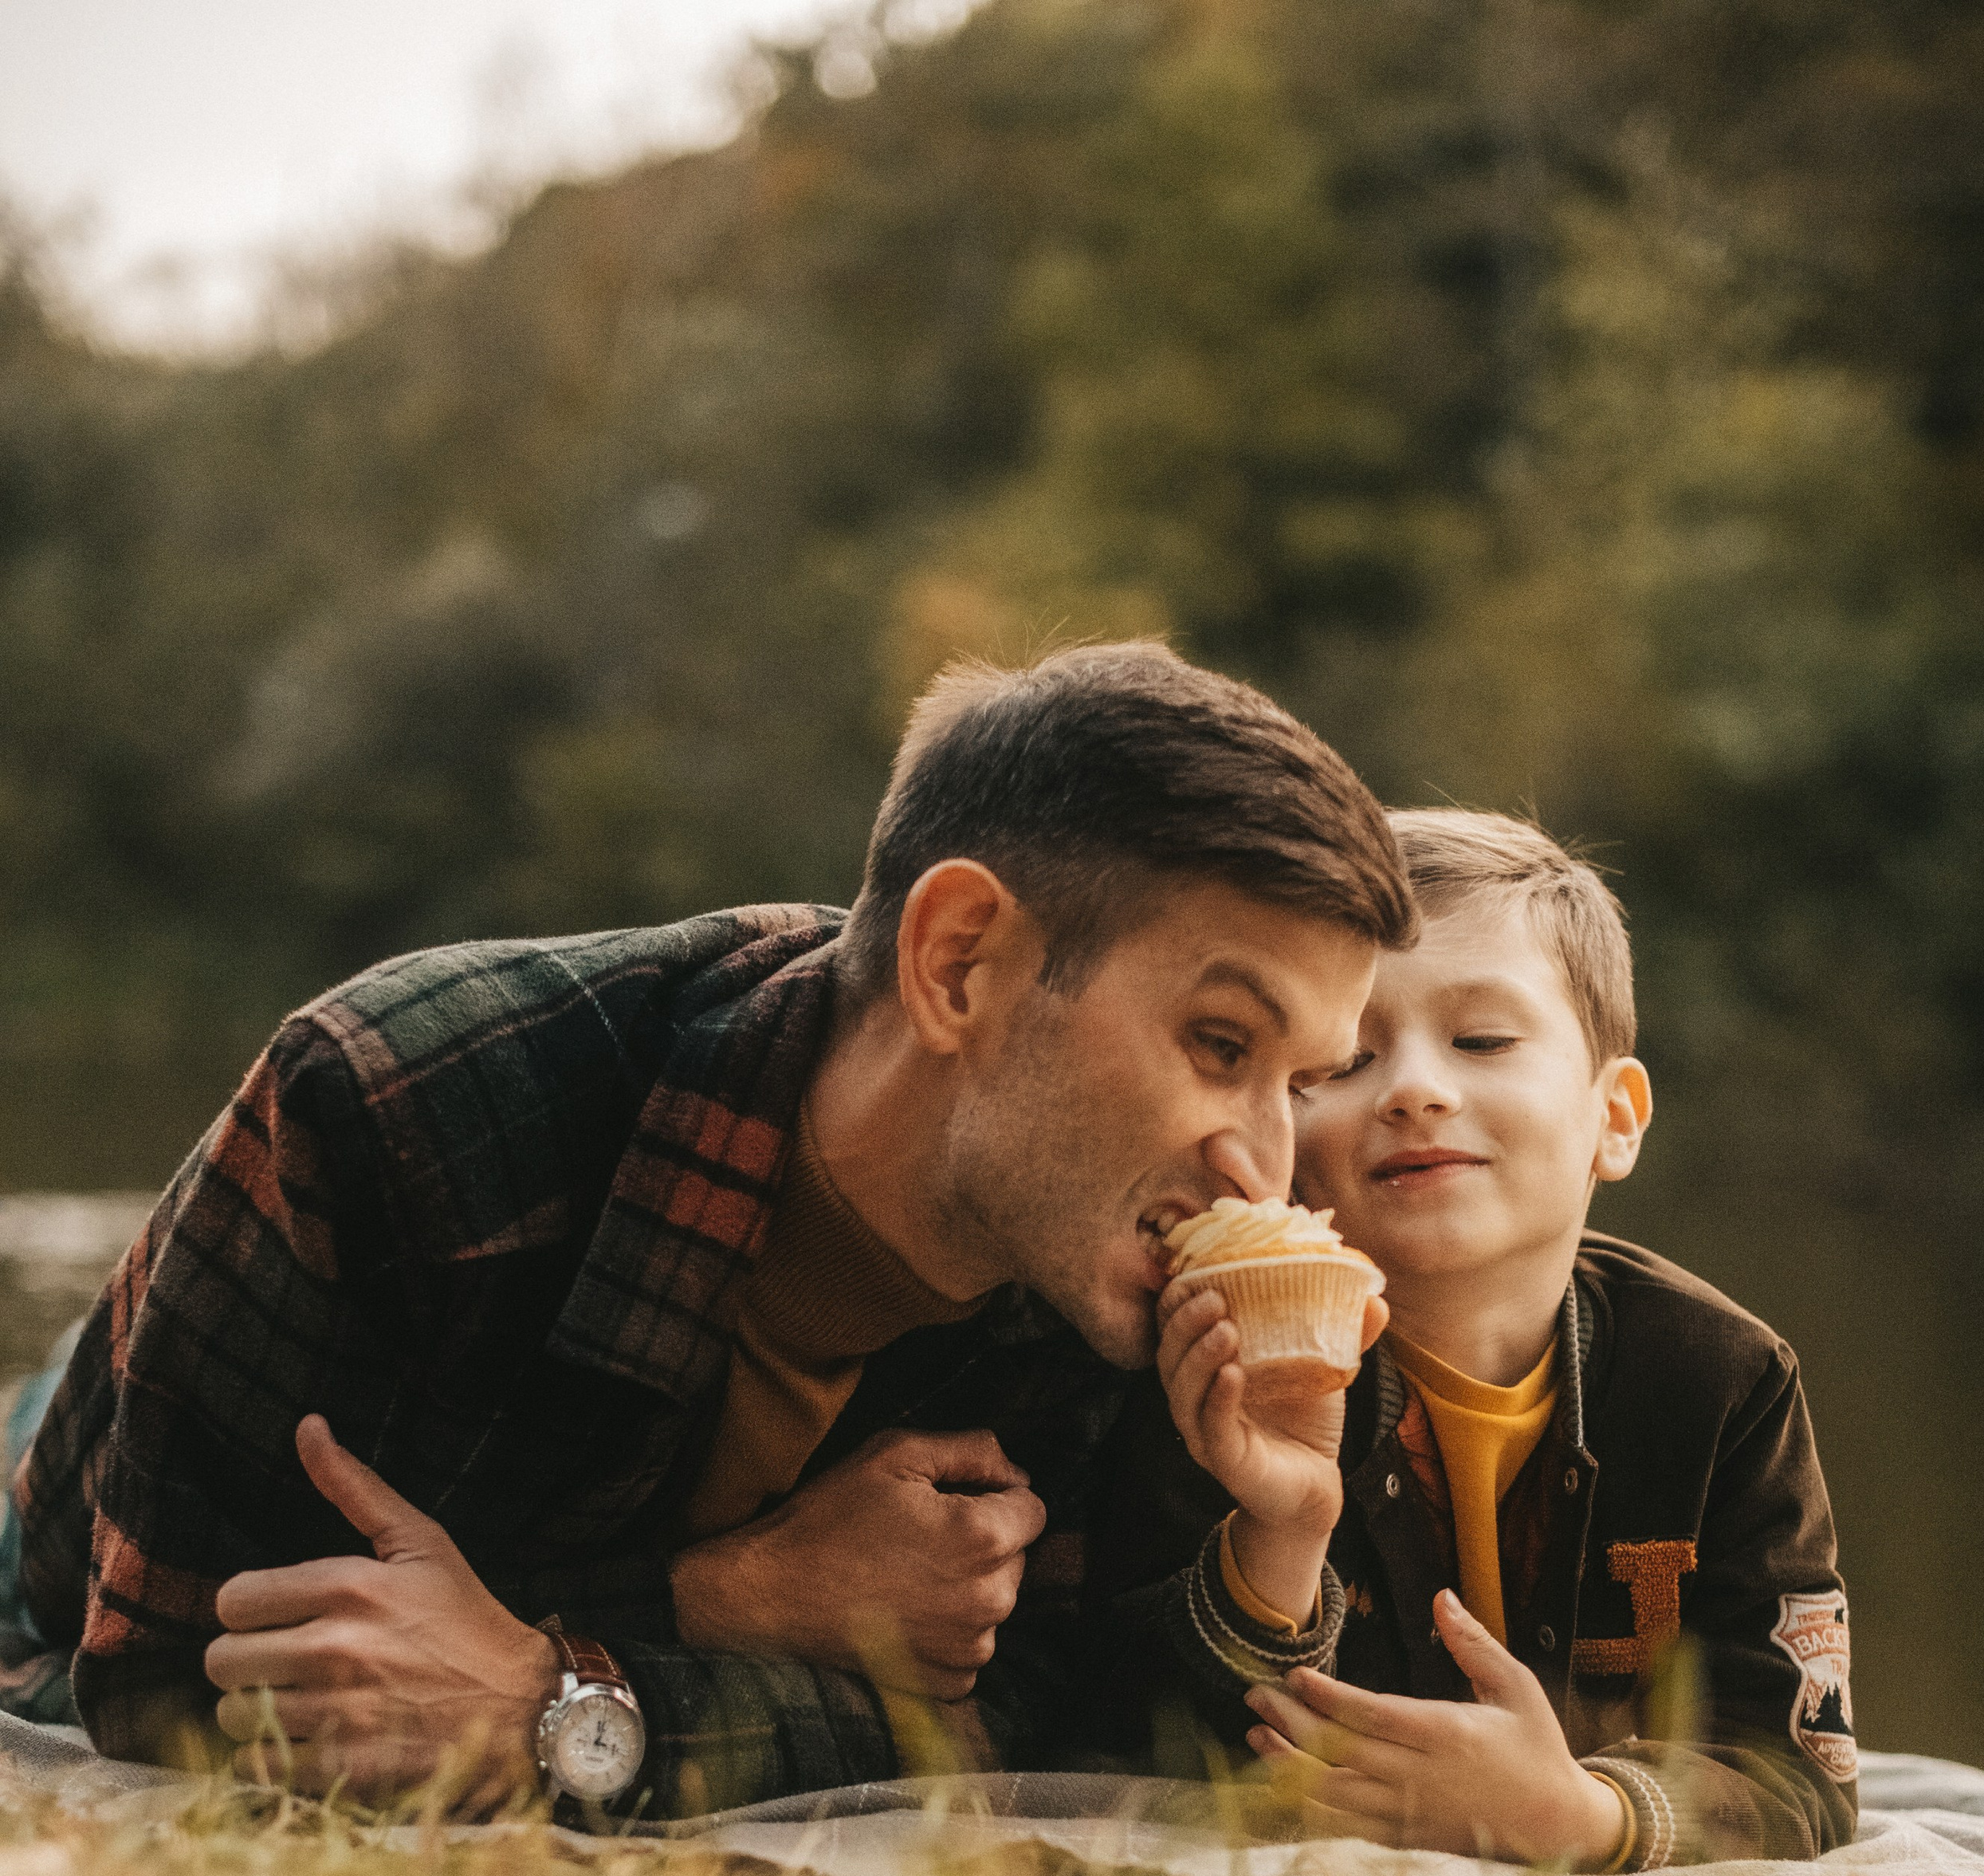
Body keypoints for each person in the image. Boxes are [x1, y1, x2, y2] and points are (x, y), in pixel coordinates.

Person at [5, 643, 1413, 1814]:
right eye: (1220, 1044)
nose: (1264, 1167)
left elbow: (1045, 1742)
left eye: (1302, 1081)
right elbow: (175, 1682)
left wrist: (1282, 1528)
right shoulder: (403, 1102)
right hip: (51, 1507)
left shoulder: (1102, 1267)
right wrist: (720, 1601)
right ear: (959, 963)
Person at [1091, 810, 1856, 1868]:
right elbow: (1125, 1742)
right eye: (1347, 1060)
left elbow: (1801, 1772)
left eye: (1483, 1040)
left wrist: (1587, 1815)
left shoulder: (1726, 1383)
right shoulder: (1223, 1362)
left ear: (1616, 1117)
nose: (1414, 1088)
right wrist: (1283, 1533)